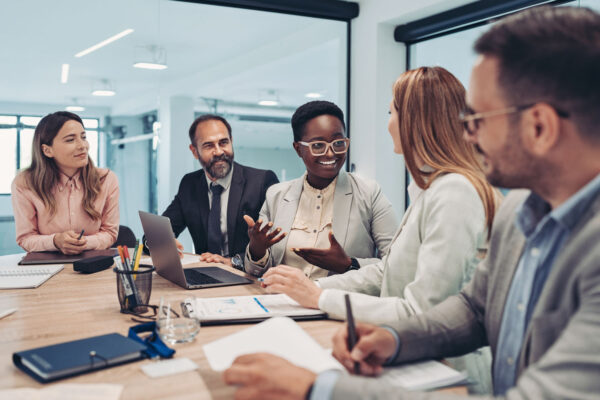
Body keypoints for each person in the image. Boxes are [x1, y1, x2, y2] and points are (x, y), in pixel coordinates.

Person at [224, 5, 600, 399]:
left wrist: (320, 389)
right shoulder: (523, 209)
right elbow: (472, 310)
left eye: (479, 119)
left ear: (539, 128)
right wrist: (395, 339)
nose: (468, 136)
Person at [260, 67, 499, 393]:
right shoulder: (431, 189)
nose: (388, 124)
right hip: (411, 355)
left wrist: (322, 297)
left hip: (448, 374)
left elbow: (421, 311)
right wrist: (309, 288)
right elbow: (386, 272)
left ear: (415, 121)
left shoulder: (454, 193)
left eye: (392, 113)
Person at [244, 100, 398, 280]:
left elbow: (396, 264)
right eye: (318, 145)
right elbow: (256, 271)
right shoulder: (276, 195)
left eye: (338, 143)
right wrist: (257, 250)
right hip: (283, 300)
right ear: (298, 149)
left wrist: (350, 264)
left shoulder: (369, 193)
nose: (331, 153)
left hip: (338, 303)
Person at [152, 114, 279, 267]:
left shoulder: (261, 181)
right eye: (209, 145)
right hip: (206, 275)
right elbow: (157, 233)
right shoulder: (189, 184)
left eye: (223, 142)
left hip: (249, 277)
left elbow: (276, 245)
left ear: (231, 142)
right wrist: (161, 242)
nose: (219, 152)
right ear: (194, 151)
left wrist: (232, 262)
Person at [12, 111, 119, 254]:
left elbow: (110, 233)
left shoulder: (106, 179)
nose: (83, 146)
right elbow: (25, 238)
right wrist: (55, 241)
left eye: (83, 137)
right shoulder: (24, 183)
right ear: (47, 150)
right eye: (70, 140)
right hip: (47, 266)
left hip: (92, 264)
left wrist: (84, 243)